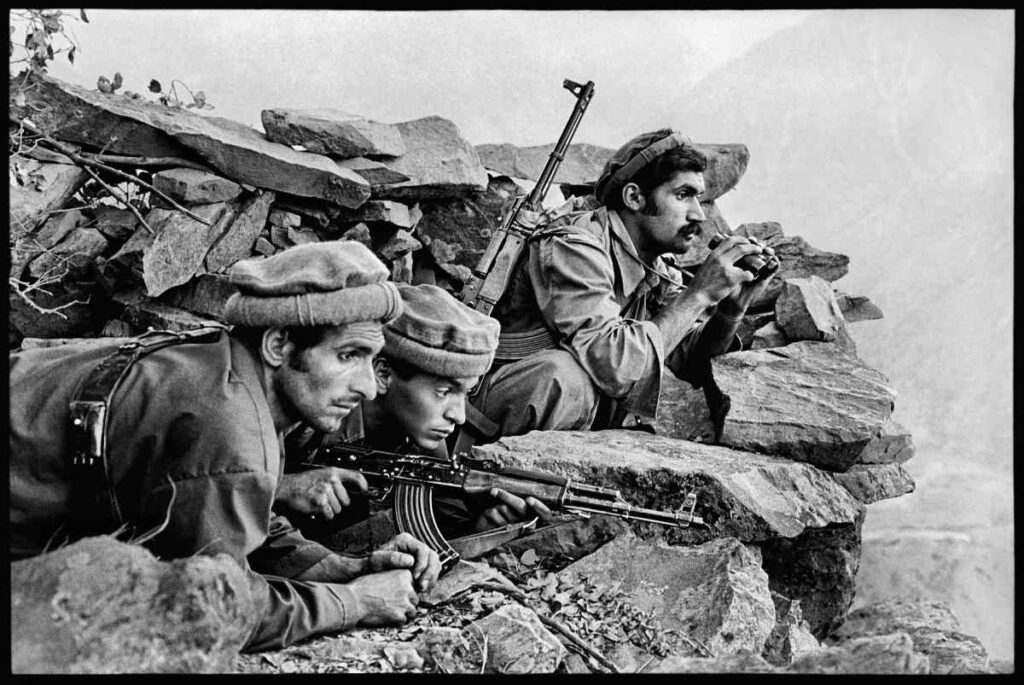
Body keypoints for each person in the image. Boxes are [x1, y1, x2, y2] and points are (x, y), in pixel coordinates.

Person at [9, 241, 442, 653]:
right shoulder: (228, 422)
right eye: (349, 355)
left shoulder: (232, 370)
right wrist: (355, 603)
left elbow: (227, 509)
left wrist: (337, 569)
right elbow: (218, 606)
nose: (368, 388)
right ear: (278, 345)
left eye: (371, 359)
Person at [466, 128, 778, 439]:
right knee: (565, 377)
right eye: (683, 195)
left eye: (699, 198)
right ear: (634, 197)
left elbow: (688, 363)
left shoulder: (652, 264)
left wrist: (731, 308)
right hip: (479, 414)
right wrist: (699, 294)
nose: (698, 214)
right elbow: (616, 366)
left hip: (548, 419)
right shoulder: (573, 248)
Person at [276, 283, 552, 536]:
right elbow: (235, 480)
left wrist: (482, 530)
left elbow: (441, 521)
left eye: (465, 394)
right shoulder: (309, 413)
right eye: (444, 392)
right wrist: (284, 488)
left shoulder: (424, 438)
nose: (459, 415)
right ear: (383, 375)